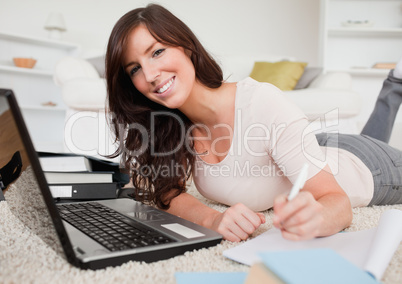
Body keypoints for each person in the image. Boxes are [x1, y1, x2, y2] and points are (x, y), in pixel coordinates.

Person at [105, 4, 402, 242]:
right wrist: (213, 219)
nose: (151, 74)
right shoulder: (170, 126)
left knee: (375, 149)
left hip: (372, 168)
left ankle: (393, 87)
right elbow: (168, 195)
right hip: (320, 148)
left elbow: (338, 202)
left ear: (186, 46)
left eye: (157, 52)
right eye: (135, 69)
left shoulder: (261, 103)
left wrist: (319, 216)